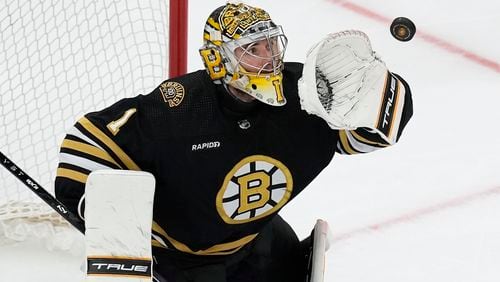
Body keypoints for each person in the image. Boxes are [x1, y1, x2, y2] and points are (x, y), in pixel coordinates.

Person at [55, 2, 413, 282]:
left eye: (271, 43)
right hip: (182, 258)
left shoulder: (303, 92)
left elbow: (359, 138)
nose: (270, 57)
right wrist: (103, 215)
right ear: (219, 59)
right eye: (253, 48)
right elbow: (89, 139)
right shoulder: (178, 108)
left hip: (258, 240)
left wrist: (381, 99)